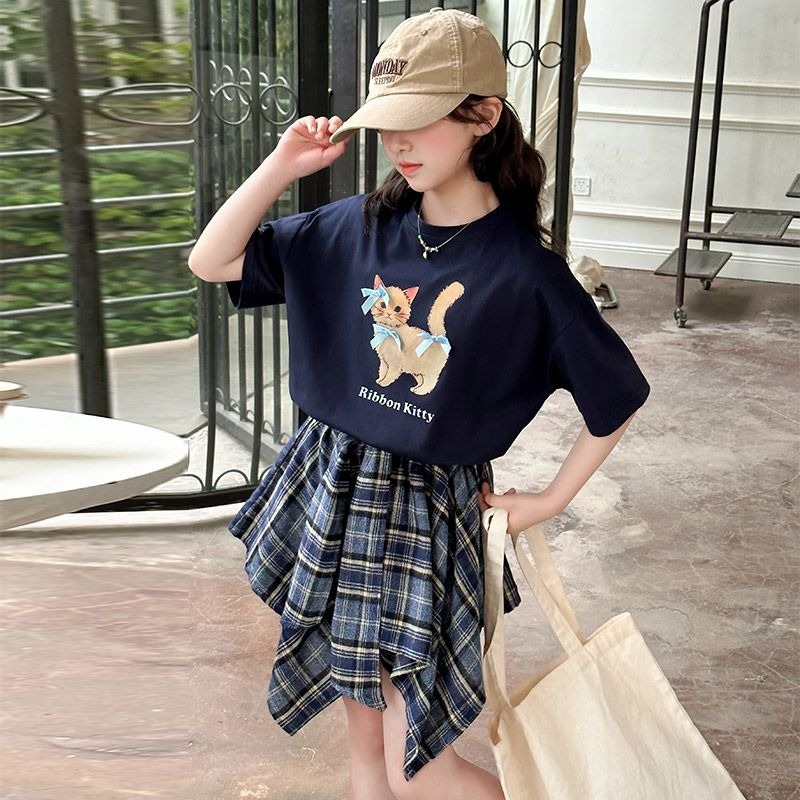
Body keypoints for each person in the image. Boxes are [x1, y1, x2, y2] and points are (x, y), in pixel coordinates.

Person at [188, 8, 649, 800]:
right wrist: (281, 165)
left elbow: (616, 396)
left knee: (419, 766)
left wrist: (548, 500)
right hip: (331, 486)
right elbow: (212, 260)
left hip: (423, 513)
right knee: (367, 751)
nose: (397, 142)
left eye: (420, 120)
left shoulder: (525, 273)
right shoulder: (358, 226)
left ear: (483, 117)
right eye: (388, 123)